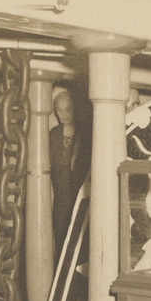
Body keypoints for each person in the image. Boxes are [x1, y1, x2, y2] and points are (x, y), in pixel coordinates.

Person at [50, 90, 90, 258]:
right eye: (59, 110)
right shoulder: (53, 135)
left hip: (82, 197)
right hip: (61, 200)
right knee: (61, 239)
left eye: (68, 109)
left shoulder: (87, 131)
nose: (64, 114)